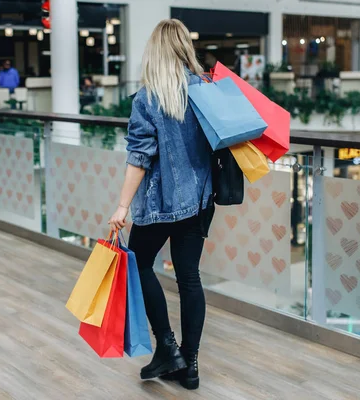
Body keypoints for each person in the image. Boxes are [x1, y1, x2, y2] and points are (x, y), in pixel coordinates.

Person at [108, 19, 213, 391]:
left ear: (155, 52)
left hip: (159, 202)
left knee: (137, 264)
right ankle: (191, 365)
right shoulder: (206, 91)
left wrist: (122, 206)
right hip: (200, 200)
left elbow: (139, 157)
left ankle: (167, 347)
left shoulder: (147, 98)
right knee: (189, 278)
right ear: (185, 48)